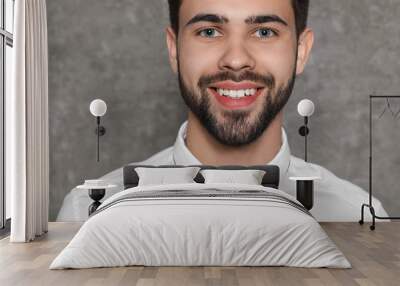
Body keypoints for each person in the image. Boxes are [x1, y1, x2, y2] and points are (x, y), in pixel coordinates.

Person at [57, 0, 388, 221]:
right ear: (174, 50)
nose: (235, 59)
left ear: (300, 51)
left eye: (264, 31)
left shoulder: (356, 214)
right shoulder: (85, 213)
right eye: (209, 31)